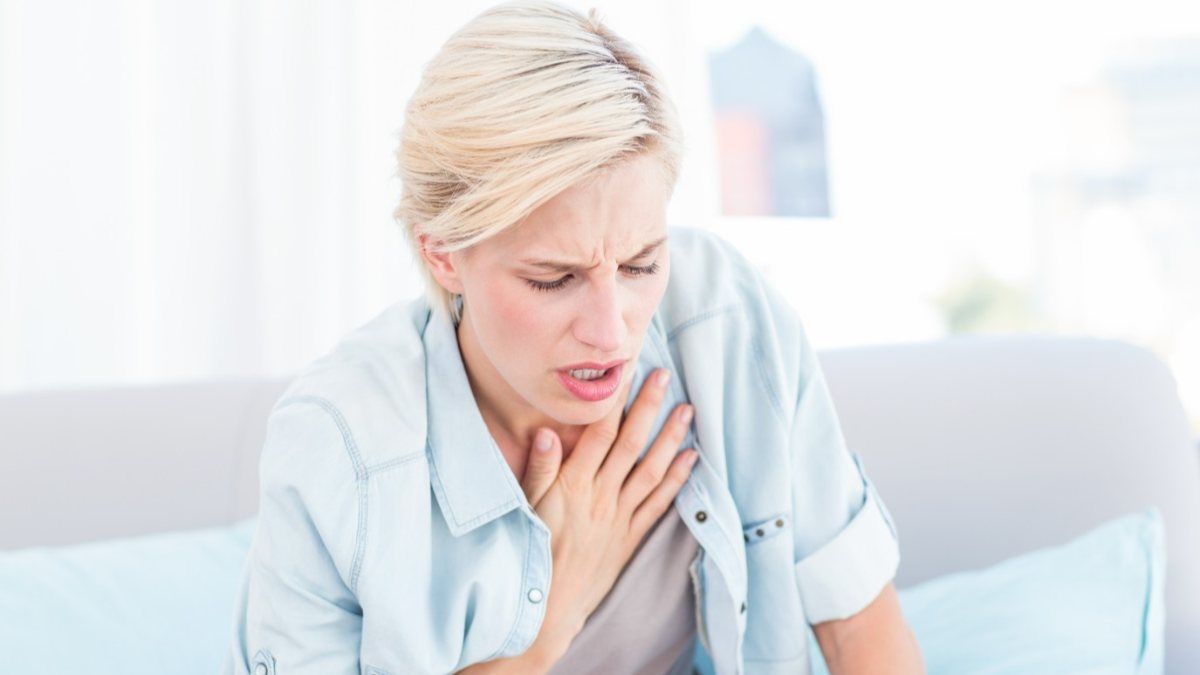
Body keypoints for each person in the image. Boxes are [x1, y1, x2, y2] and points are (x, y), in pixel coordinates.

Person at [223, 1, 924, 674]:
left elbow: (858, 624)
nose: (611, 330)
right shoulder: (340, 448)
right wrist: (550, 614)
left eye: (641, 264)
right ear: (442, 254)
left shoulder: (725, 315)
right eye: (554, 278)